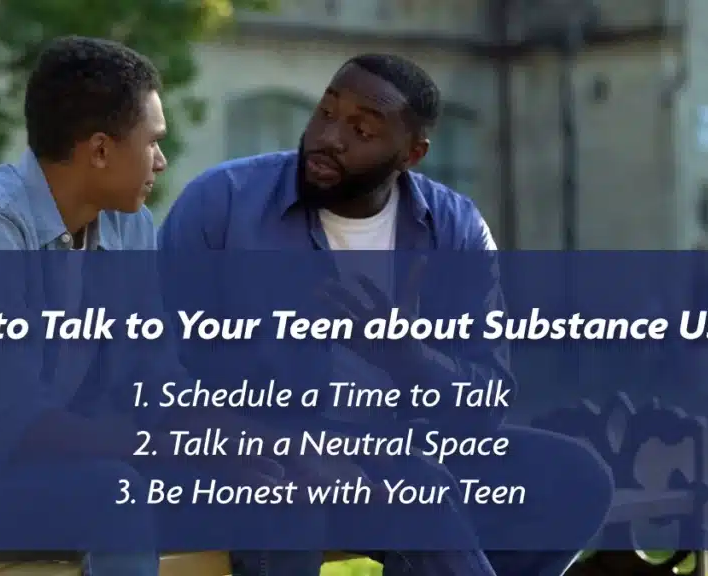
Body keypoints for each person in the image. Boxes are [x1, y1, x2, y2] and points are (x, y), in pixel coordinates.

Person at [158, 54, 614, 576]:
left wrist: (406, 356)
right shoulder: (223, 205)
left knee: (575, 478)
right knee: (415, 488)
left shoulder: (454, 229)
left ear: (411, 154)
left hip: (405, 443)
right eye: (325, 113)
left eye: (361, 129)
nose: (329, 137)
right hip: (263, 448)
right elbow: (163, 373)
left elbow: (486, 399)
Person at [0, 36, 278, 576]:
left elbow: (154, 376)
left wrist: (244, 441)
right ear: (100, 150)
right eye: (152, 142)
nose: (161, 160)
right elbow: (15, 422)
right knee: (115, 493)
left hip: (44, 474)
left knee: (261, 488)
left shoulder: (128, 223)